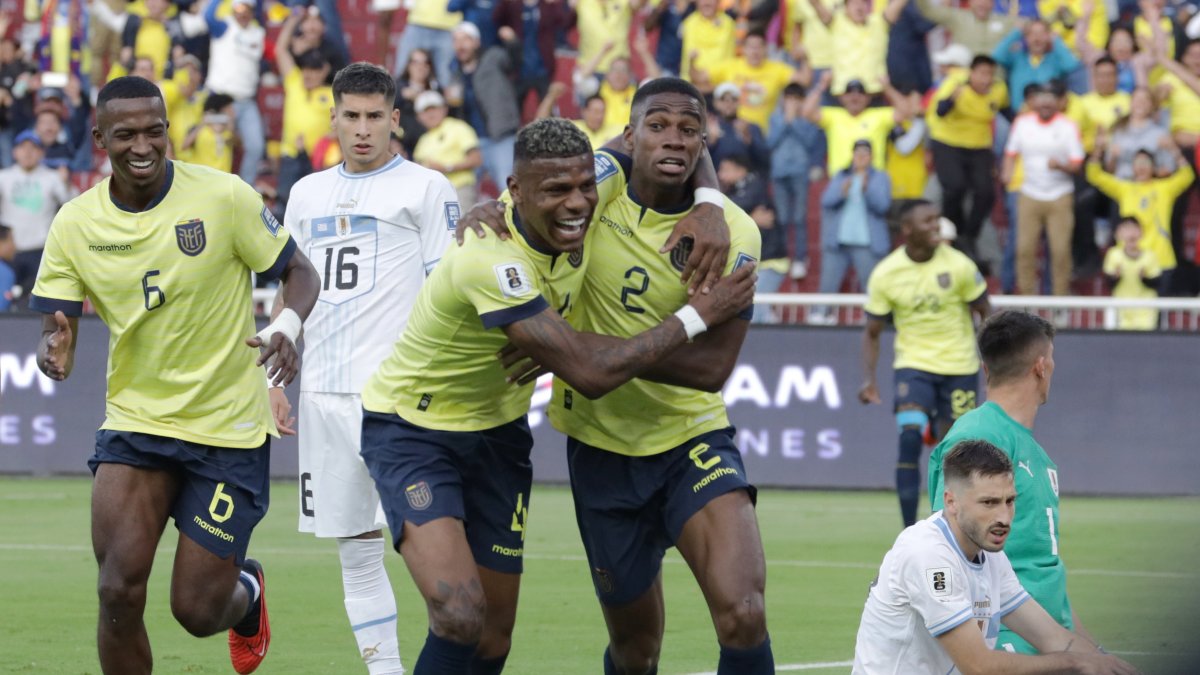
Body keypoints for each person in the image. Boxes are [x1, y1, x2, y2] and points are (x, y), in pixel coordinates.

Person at [359, 116, 756, 674]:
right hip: (415, 432)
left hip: (499, 436)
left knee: (493, 637)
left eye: (583, 187)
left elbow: (670, 128)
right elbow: (589, 374)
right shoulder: (490, 258)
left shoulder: (593, 181)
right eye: (556, 192)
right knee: (459, 612)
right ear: (515, 191)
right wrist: (698, 316)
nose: (577, 204)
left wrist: (711, 201)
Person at [27, 76, 320, 675]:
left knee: (196, 609)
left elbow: (300, 272)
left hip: (227, 430)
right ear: (100, 138)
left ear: (168, 130)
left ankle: (249, 596)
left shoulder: (223, 196)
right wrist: (56, 344)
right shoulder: (75, 223)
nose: (143, 144)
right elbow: (60, 318)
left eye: (155, 130)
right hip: (137, 422)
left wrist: (286, 326)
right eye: (127, 133)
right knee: (117, 592)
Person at [545, 78, 773, 674]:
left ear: (704, 144)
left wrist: (587, 350)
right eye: (658, 126)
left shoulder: (738, 234)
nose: (673, 139)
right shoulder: (592, 201)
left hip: (691, 439)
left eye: (689, 130)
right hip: (600, 449)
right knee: (636, 649)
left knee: (744, 614)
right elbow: (542, 189)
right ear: (629, 136)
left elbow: (711, 369)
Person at [267, 62, 458, 675]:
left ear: (396, 119)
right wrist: (274, 381)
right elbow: (289, 293)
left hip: (399, 402)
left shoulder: (427, 189)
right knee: (356, 552)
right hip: (323, 395)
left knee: (431, 550)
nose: (363, 128)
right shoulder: (306, 194)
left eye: (375, 116)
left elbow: (446, 293)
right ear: (333, 118)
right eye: (351, 115)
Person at [854, 440, 1140, 675]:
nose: (1004, 517)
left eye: (1009, 501)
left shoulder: (989, 553)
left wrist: (1107, 663)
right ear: (951, 502)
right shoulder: (928, 554)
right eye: (989, 503)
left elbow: (1054, 638)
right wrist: (1078, 663)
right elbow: (979, 667)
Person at [926, 311, 1093, 655]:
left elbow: (1043, 564)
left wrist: (1089, 649)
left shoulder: (1033, 451)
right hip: (1009, 642)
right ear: (1041, 366)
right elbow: (947, 550)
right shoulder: (979, 435)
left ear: (986, 370)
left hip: (1049, 637)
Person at [860, 199, 991, 527]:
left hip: (959, 367)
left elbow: (986, 313)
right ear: (907, 230)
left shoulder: (960, 265)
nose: (937, 226)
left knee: (955, 453)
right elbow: (873, 332)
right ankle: (909, 532)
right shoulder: (887, 274)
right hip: (914, 365)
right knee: (909, 437)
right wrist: (869, 379)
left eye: (938, 219)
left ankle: (949, 524)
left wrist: (992, 362)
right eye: (928, 221)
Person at [1002, 84, 1084, 296]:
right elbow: (1011, 153)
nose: (1046, 104)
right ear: (1034, 102)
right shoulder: (1022, 123)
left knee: (1060, 252)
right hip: (1029, 193)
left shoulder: (1068, 126)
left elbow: (1077, 164)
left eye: (1051, 99)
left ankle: (1060, 303)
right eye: (1041, 99)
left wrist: (1061, 166)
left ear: (1059, 102)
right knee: (1024, 250)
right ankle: (1027, 303)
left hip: (1060, 195)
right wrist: (1007, 174)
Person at [927, 54, 1010, 263]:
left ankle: (968, 236)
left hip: (979, 145)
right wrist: (952, 99)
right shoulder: (955, 83)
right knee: (954, 187)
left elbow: (1008, 112)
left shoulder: (999, 90)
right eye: (981, 74)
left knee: (987, 192)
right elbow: (940, 111)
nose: (986, 79)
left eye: (990, 74)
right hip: (948, 142)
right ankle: (951, 231)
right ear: (971, 73)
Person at [1085, 136, 1192, 294]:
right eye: (1137, 163)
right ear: (1132, 167)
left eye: (1146, 163)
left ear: (1154, 167)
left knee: (1156, 314)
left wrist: (1173, 150)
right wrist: (1099, 150)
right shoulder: (1124, 188)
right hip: (1128, 260)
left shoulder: (1164, 188)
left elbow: (1187, 175)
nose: (1141, 167)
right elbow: (1094, 175)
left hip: (1160, 258)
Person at [0, 129, 69, 302]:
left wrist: (65, 182)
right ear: (15, 152)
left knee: (37, 302)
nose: (28, 153)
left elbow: (70, 204)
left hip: (40, 250)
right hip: (9, 252)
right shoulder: (4, 177)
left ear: (41, 153)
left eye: (33, 148)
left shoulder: (52, 177)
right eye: (23, 148)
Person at [817, 139, 891, 297]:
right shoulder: (841, 175)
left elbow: (882, 206)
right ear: (853, 155)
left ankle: (872, 319)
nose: (861, 158)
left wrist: (866, 189)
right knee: (827, 287)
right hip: (838, 241)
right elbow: (826, 202)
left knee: (871, 288)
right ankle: (820, 316)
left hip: (867, 243)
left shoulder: (880, 177)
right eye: (858, 154)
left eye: (865, 154)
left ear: (872, 157)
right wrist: (841, 192)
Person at [204, 0, 266, 186]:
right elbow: (208, 17)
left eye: (248, 9)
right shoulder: (224, 26)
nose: (243, 13)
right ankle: (213, 188)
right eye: (239, 9)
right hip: (221, 100)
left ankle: (245, 188)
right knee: (218, 146)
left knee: (256, 146)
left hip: (246, 100)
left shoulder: (257, 32)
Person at [767, 82, 824, 280]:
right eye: (788, 99)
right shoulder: (775, 118)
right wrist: (785, 122)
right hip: (779, 172)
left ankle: (800, 258)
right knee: (782, 218)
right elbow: (770, 143)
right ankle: (783, 256)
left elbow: (810, 142)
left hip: (800, 172)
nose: (791, 103)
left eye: (796, 99)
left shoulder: (808, 120)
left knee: (799, 217)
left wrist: (794, 122)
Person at [412, 90, 483, 209]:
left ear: (444, 109)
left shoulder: (458, 127)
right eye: (425, 111)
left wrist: (446, 168)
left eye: (434, 108)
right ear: (419, 117)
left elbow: (476, 159)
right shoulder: (422, 141)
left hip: (459, 189)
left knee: (463, 227)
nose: (430, 114)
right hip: (433, 197)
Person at [1103, 216, 1162, 330]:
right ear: (1119, 233)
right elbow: (1109, 283)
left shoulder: (1150, 256)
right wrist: (1116, 277)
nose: (1131, 233)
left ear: (1141, 232)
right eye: (1126, 229)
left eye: (1134, 229)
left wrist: (1144, 278)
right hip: (1121, 310)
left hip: (1146, 311)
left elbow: (1157, 283)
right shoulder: (1114, 255)